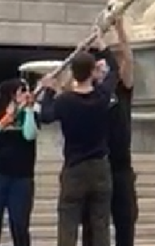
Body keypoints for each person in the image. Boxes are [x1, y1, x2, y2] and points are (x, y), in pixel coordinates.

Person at [39, 51, 118, 246]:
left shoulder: (66, 101)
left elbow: (45, 116)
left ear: (73, 73)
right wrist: (103, 50)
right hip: (100, 166)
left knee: (68, 221)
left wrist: (49, 89)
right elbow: (115, 69)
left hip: (74, 167)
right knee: (100, 223)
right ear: (92, 72)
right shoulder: (102, 96)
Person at [82, 17, 138, 246]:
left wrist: (120, 31)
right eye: (98, 67)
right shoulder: (92, 96)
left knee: (126, 221)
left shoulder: (121, 90)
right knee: (94, 225)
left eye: (104, 65)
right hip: (97, 166)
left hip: (121, 167)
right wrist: (85, 53)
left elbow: (127, 60)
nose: (103, 67)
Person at [0, 79, 40, 246]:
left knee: (20, 226)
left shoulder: (30, 115)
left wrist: (30, 110)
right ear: (12, 95)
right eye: (22, 90)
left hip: (21, 178)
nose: (27, 93)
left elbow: (30, 135)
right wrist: (3, 122)